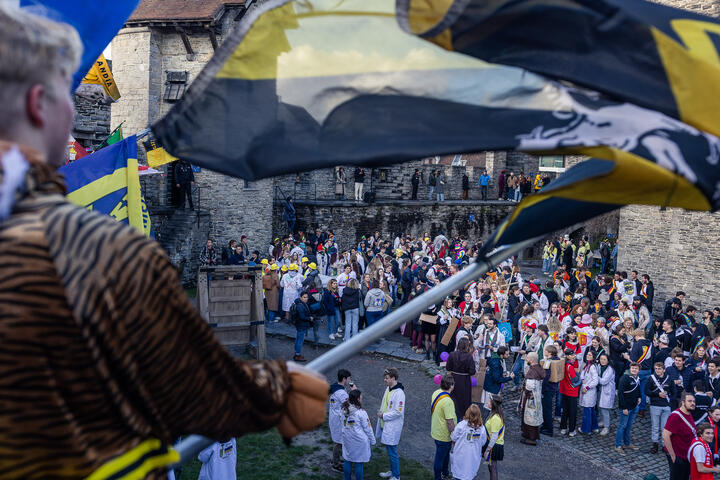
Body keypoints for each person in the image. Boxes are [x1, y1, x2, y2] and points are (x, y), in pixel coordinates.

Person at [0, 6, 328, 477]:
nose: (75, 112)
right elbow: (184, 379)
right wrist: (278, 389)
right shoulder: (91, 247)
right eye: (64, 95)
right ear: (37, 104)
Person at [377, 367, 405, 480]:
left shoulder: (399, 393)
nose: (385, 380)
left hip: (392, 426)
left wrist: (383, 416)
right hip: (385, 425)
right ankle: (391, 471)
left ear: (393, 378)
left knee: (392, 451)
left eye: (387, 378)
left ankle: (396, 476)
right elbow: (385, 403)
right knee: (389, 451)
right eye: (385, 378)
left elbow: (398, 412)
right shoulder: (388, 389)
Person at [342, 389, 375, 480]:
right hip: (359, 441)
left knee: (347, 460)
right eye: (361, 397)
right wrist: (373, 440)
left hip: (347, 438)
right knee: (359, 462)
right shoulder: (361, 413)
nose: (362, 398)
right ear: (357, 399)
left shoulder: (344, 409)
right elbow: (368, 428)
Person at [664, 392, 697, 480]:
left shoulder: (689, 413)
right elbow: (665, 435)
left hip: (686, 456)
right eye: (689, 401)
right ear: (683, 402)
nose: (692, 403)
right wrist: (672, 455)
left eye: (694, 401)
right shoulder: (675, 416)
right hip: (678, 456)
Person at [450, 404, 487, 480]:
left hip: (461, 454)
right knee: (469, 475)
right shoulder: (482, 428)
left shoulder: (461, 425)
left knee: (459, 475)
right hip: (473, 456)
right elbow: (483, 442)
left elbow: (453, 437)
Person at [647, 361, 676, 454]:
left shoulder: (669, 379)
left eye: (659, 368)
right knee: (655, 427)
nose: (657, 370)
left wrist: (670, 402)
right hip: (655, 405)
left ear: (664, 369)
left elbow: (674, 392)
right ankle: (655, 444)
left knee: (665, 428)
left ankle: (665, 445)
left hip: (666, 406)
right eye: (655, 368)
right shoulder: (651, 379)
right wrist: (657, 394)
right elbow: (646, 391)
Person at [431, 374, 456, 480]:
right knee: (440, 458)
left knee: (445, 455)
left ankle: (445, 473)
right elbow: (450, 422)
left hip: (436, 430)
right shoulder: (448, 402)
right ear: (451, 386)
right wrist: (454, 435)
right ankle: (438, 477)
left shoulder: (436, 393)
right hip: (444, 434)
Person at [330, 369, 354, 472]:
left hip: (334, 417)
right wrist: (353, 392)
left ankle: (335, 460)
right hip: (338, 420)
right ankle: (336, 463)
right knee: (338, 442)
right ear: (344, 379)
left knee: (337, 440)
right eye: (349, 378)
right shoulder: (341, 393)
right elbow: (350, 405)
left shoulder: (334, 387)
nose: (350, 380)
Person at [447, 337, 477, 420]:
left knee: (454, 397)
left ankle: (452, 414)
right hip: (465, 380)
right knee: (465, 398)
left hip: (454, 379)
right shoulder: (469, 357)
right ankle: (463, 416)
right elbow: (472, 371)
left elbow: (448, 367)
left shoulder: (452, 354)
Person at [616, 361, 642, 454]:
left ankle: (627, 443)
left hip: (634, 406)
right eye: (633, 368)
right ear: (630, 369)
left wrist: (639, 397)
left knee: (629, 426)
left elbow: (638, 388)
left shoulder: (636, 378)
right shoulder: (624, 378)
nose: (634, 370)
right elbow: (620, 394)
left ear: (639, 370)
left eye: (636, 368)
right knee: (622, 426)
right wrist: (624, 408)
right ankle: (618, 445)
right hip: (626, 407)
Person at [520, 352, 545, 445]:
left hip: (531, 398)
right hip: (537, 396)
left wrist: (525, 388)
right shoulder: (538, 368)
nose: (526, 359)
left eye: (527, 358)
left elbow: (530, 386)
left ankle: (531, 438)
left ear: (531, 360)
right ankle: (527, 434)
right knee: (531, 417)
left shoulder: (532, 372)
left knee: (530, 417)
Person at [484, 394, 506, 480]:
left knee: (492, 468)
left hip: (494, 446)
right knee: (491, 467)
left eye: (489, 401)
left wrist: (487, 450)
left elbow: (494, 436)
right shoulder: (494, 414)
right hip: (494, 445)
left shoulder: (495, 418)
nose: (487, 402)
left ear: (493, 404)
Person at [559, 348, 580, 436]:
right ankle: (571, 430)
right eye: (571, 355)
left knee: (565, 411)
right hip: (571, 391)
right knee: (572, 412)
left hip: (564, 390)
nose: (573, 356)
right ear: (567, 356)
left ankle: (563, 428)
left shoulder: (563, 364)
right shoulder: (570, 366)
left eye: (573, 354)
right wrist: (578, 373)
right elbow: (574, 379)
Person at [579, 349, 600, 434]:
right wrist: (583, 379)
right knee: (591, 410)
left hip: (589, 392)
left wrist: (586, 387)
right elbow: (582, 374)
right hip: (587, 390)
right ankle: (594, 427)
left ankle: (586, 429)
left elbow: (595, 381)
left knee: (587, 411)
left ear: (593, 357)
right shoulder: (587, 365)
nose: (588, 356)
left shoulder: (592, 367)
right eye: (587, 354)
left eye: (590, 355)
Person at [291, 291, 315, 362]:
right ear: (301, 297)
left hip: (301, 325)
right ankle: (297, 355)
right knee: (300, 340)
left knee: (298, 339)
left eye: (307, 297)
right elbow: (302, 316)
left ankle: (296, 353)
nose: (306, 298)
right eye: (304, 297)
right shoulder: (300, 305)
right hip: (301, 325)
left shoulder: (302, 304)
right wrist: (309, 318)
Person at [597, 352, 616, 435]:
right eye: (601, 359)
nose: (602, 361)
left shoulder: (610, 369)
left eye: (604, 359)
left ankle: (606, 427)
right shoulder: (599, 366)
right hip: (599, 389)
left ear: (608, 361)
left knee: (605, 409)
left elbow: (604, 381)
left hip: (607, 390)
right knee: (600, 407)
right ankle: (602, 421)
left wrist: (594, 377)